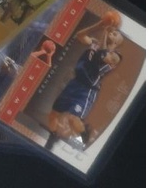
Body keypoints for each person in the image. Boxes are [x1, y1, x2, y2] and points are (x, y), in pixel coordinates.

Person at [45, 16, 124, 151]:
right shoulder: (95, 43)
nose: (112, 32)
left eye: (115, 34)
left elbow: (102, 55)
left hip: (87, 90)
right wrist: (99, 25)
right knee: (53, 114)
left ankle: (84, 135)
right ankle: (52, 137)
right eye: (112, 31)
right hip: (75, 83)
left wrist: (105, 32)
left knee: (73, 118)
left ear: (117, 42)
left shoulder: (115, 57)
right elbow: (80, 35)